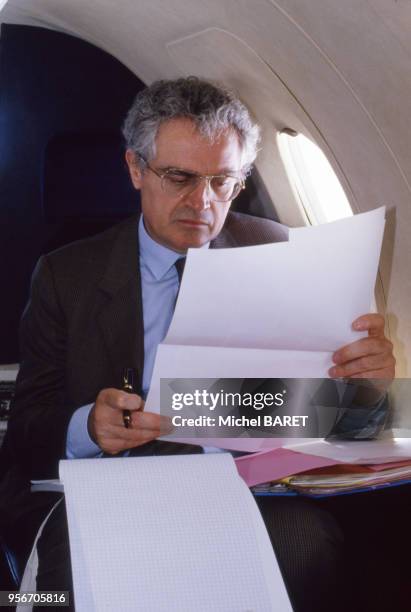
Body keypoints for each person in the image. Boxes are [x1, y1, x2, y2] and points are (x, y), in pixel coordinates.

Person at [0, 77, 395, 611]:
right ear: (136, 169)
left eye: (222, 181)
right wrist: (87, 426)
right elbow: (26, 427)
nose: (202, 202)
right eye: (179, 177)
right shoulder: (66, 275)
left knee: (310, 544)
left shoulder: (281, 254)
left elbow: (340, 419)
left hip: (240, 487)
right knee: (74, 579)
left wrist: (368, 386)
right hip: (110, 488)